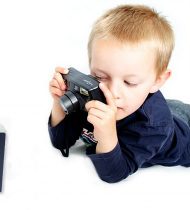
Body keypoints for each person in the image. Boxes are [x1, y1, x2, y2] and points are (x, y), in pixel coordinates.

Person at [48, 4, 190, 183]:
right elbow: (61, 142)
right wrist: (59, 103)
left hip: (183, 130)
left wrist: (106, 133)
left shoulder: (154, 127)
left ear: (158, 81)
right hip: (158, 106)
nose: (113, 93)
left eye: (130, 82)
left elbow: (114, 173)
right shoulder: (92, 94)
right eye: (99, 76)